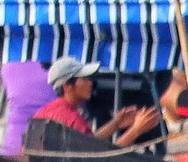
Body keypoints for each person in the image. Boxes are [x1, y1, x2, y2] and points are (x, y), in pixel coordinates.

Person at [30, 57, 162, 146]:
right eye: (85, 79)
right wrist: (136, 130)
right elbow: (99, 158)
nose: (90, 83)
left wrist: (116, 122)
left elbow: (91, 142)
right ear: (67, 86)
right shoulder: (71, 118)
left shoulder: (46, 111)